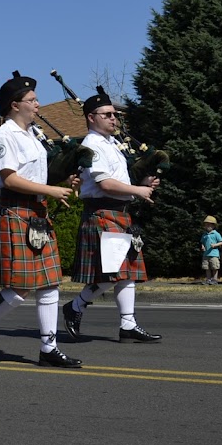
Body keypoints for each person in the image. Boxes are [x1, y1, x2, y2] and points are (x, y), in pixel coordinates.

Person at [0, 73, 84, 368]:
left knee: (50, 285)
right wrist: (50, 190)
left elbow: (36, 176)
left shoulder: (33, 136)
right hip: (16, 212)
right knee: (19, 289)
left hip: (37, 214)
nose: (38, 105)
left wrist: (62, 181)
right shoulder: (3, 137)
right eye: (32, 101)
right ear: (15, 105)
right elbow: (10, 178)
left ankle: (48, 348)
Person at [61, 90, 162, 345]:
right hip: (102, 212)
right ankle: (75, 306)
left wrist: (142, 183)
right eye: (108, 115)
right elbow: (105, 184)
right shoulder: (92, 145)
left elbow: (119, 181)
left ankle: (128, 325)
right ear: (91, 117)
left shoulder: (112, 144)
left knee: (126, 273)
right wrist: (138, 191)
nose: (114, 119)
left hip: (119, 213)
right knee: (115, 273)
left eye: (115, 115)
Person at [200, 215, 222, 285]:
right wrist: (203, 246)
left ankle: (215, 279)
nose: (207, 226)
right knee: (207, 267)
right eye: (206, 225)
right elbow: (202, 242)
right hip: (206, 254)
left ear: (213, 226)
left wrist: (215, 245)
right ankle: (208, 279)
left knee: (214, 267)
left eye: (209, 225)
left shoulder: (216, 234)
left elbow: (221, 242)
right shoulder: (204, 234)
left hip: (214, 254)